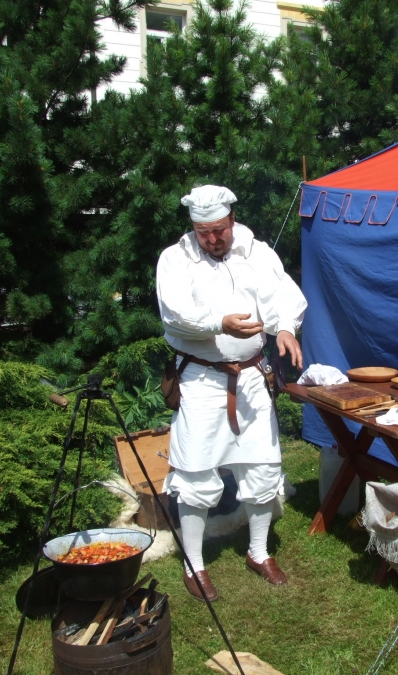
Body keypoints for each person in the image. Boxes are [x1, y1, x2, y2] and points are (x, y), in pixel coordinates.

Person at [156, 185, 307, 602]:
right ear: (194, 228)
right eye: (203, 232)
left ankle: (258, 552)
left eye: (219, 230)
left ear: (232, 220)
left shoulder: (256, 252)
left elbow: (281, 296)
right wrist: (218, 323)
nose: (213, 239)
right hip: (202, 380)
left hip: (253, 378)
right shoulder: (175, 260)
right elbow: (174, 314)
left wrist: (285, 329)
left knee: (262, 467)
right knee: (196, 473)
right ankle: (194, 563)